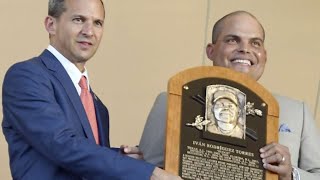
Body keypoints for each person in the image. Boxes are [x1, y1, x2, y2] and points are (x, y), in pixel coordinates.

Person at [2, 0, 182, 179]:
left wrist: (125, 159)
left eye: (97, 23)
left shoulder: (98, 106)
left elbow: (87, 160)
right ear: (51, 25)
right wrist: (148, 173)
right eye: (78, 19)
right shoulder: (26, 76)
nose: (89, 32)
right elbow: (63, 145)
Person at [139, 11, 320, 180]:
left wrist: (291, 174)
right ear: (211, 50)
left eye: (255, 43)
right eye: (233, 40)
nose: (245, 49)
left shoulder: (298, 112)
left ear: (264, 55)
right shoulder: (173, 99)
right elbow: (146, 167)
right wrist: (135, 162)